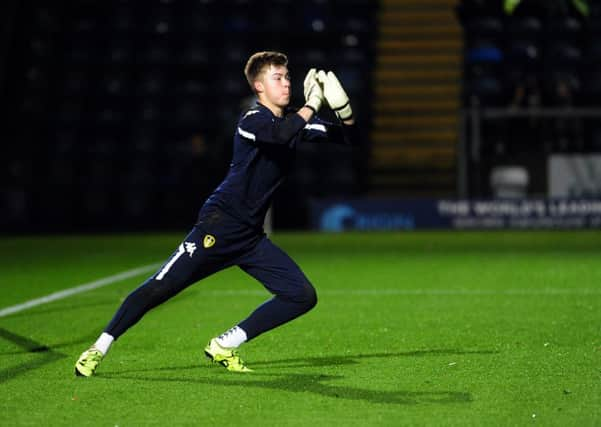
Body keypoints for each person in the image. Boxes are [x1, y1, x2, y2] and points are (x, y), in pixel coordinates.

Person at [74, 51, 355, 375]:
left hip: (250, 238)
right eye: (277, 77)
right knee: (160, 287)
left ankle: (225, 344)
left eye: (288, 77)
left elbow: (348, 137)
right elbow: (279, 135)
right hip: (219, 226)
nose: (286, 83)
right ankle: (98, 348)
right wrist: (311, 106)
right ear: (258, 87)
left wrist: (343, 109)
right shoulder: (252, 120)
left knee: (302, 296)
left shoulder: (293, 121)